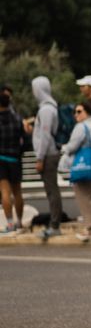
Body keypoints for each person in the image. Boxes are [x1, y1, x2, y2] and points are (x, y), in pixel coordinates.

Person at [60, 101, 91, 240]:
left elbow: (73, 145)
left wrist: (64, 148)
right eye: (75, 112)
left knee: (85, 196)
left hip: (83, 165)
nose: (76, 115)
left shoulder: (81, 127)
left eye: (79, 111)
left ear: (88, 112)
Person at [27, 76, 66, 238]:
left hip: (48, 155)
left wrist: (40, 158)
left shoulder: (46, 110)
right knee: (51, 190)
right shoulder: (48, 108)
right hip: (49, 153)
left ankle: (55, 225)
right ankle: (54, 223)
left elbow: (45, 135)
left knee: (51, 190)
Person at [0, 85, 28, 231]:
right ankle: (20, 222)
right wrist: (19, 152)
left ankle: (10, 223)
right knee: (18, 192)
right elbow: (25, 139)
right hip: (15, 159)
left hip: (1, 159)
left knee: (5, 192)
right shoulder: (17, 118)